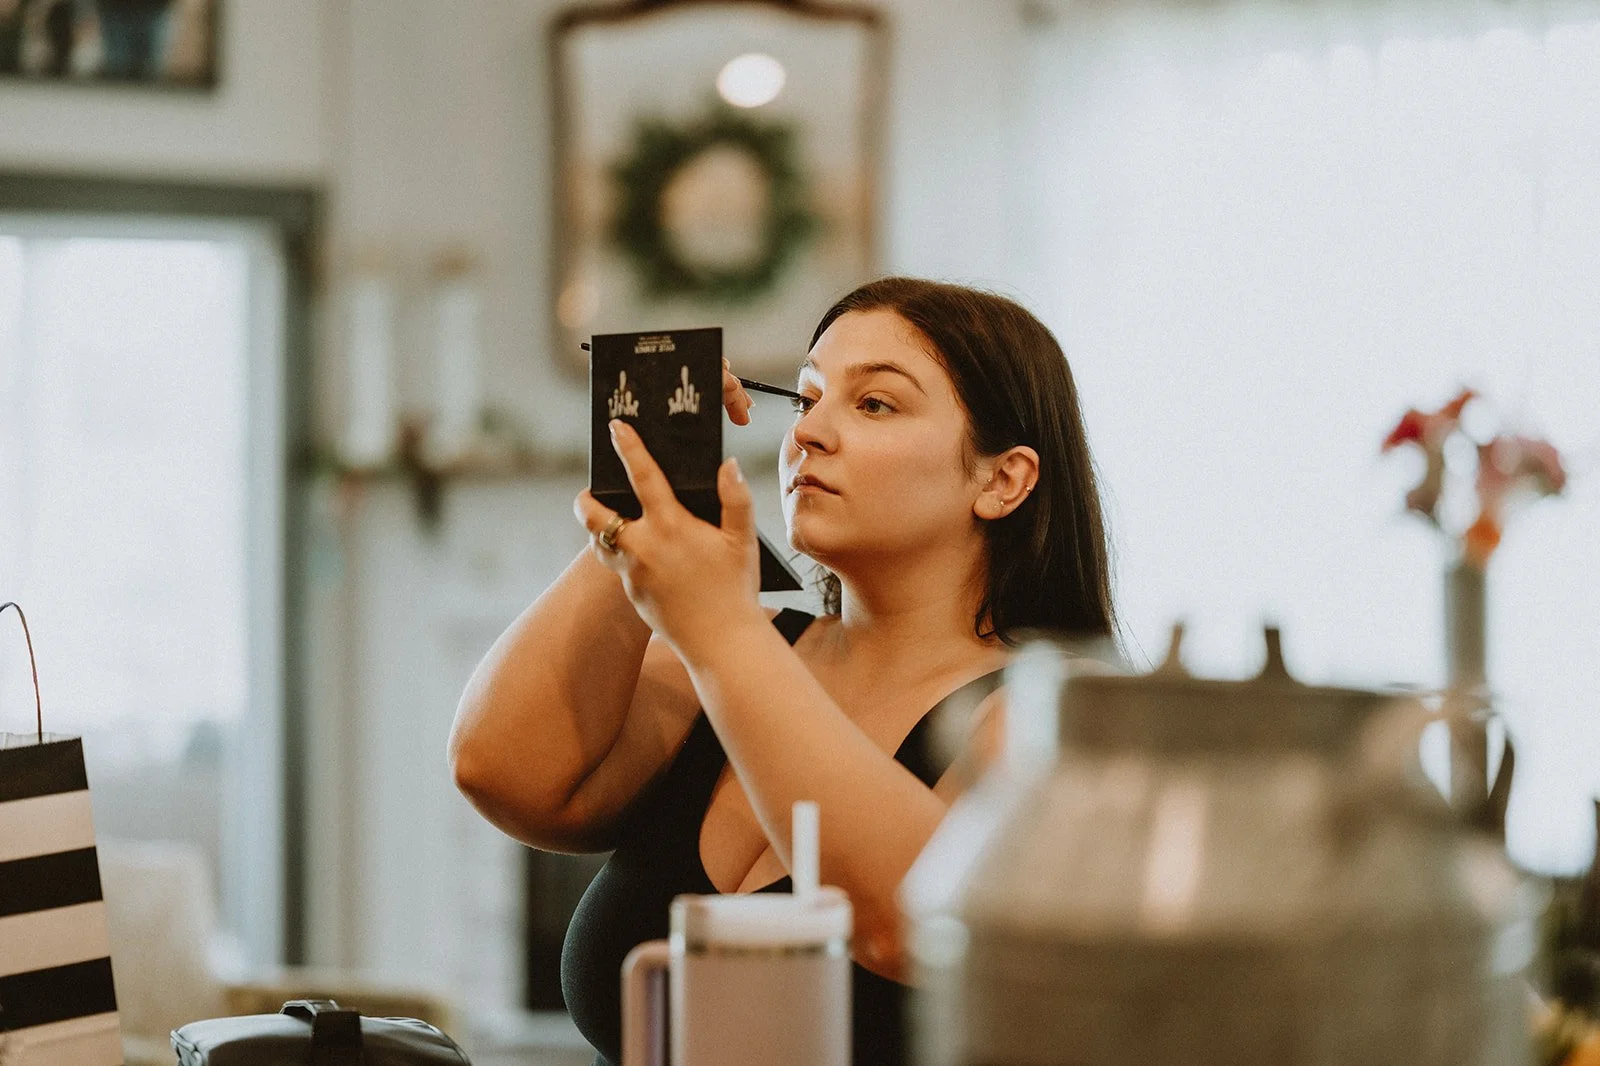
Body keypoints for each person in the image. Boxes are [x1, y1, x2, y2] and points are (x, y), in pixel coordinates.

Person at [449, 276, 1116, 1066]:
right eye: (806, 399)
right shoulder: (741, 655)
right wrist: (652, 489)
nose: (808, 434)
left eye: (874, 405)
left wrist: (721, 632)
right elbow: (501, 770)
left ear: (1002, 479)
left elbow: (900, 928)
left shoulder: (1040, 720)